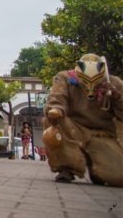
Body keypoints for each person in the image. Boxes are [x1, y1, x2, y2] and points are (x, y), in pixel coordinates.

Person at [43, 53, 122, 186]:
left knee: (118, 177)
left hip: (101, 134)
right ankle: (66, 167)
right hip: (73, 128)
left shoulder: (114, 84)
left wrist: (117, 98)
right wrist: (56, 109)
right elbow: (57, 97)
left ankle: (97, 170)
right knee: (54, 120)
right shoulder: (65, 78)